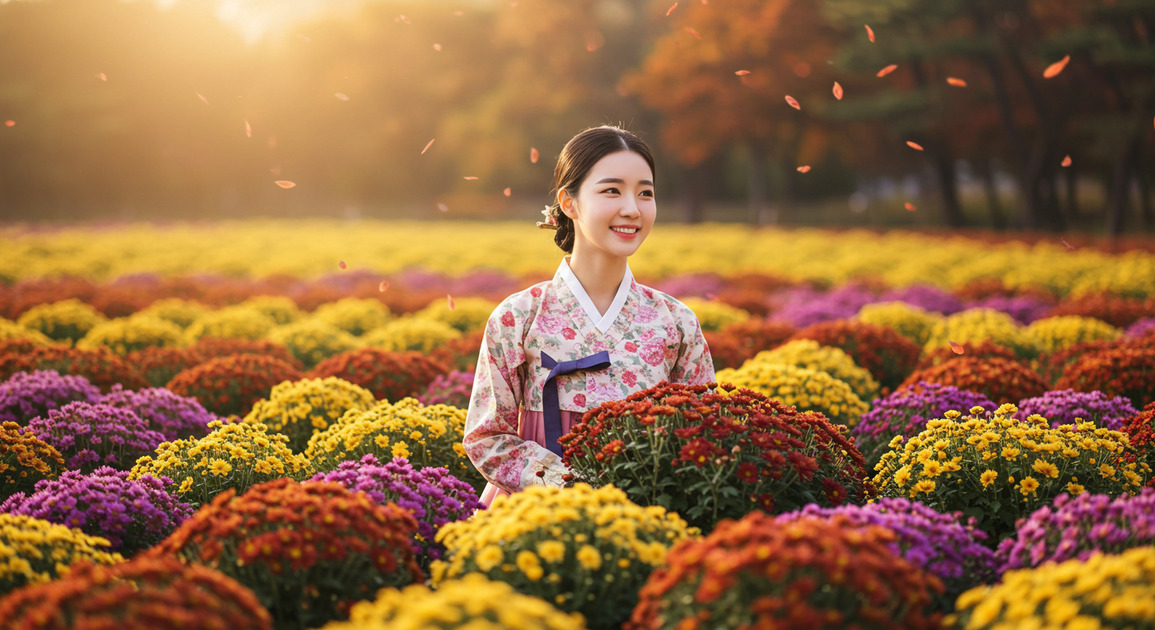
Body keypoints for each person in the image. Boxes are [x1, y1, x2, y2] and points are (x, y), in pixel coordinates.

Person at [462, 125, 715, 506]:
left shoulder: (676, 323)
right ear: (569, 203)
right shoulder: (518, 317)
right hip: (529, 516)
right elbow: (486, 437)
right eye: (612, 190)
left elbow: (704, 436)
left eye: (645, 193)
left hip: (642, 517)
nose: (632, 208)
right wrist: (572, 487)